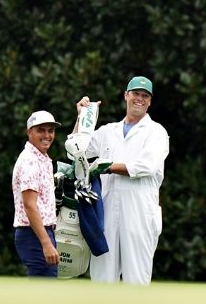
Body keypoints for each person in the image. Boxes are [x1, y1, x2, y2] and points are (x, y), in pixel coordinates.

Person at [74, 76, 169, 285]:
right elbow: (76, 151)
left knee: (136, 280)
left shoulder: (157, 132)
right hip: (106, 210)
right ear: (126, 95)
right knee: (102, 280)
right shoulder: (108, 131)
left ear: (150, 101)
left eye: (145, 96)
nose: (140, 99)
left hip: (140, 212)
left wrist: (107, 166)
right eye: (135, 94)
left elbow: (147, 166)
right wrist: (82, 119)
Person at [12, 110, 62, 277]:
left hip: (38, 233)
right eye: (41, 130)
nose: (47, 135)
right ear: (29, 132)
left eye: (51, 130)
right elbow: (29, 204)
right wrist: (46, 243)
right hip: (33, 234)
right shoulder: (30, 161)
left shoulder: (40, 157)